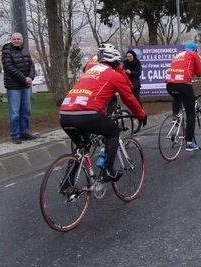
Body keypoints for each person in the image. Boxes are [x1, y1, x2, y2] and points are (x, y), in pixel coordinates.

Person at [59, 43, 147, 182]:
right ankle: (108, 171)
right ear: (114, 61)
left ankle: (68, 183)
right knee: (113, 132)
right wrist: (141, 114)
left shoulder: (89, 71)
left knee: (81, 148)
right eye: (118, 62)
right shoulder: (114, 74)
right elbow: (129, 97)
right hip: (87, 114)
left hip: (65, 114)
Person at [165, 42, 201, 151]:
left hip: (170, 84)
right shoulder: (193, 54)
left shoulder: (178, 55)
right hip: (183, 84)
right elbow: (199, 73)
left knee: (177, 97)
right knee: (191, 114)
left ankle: (175, 117)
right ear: (195, 50)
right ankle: (189, 142)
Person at [1, 32, 38, 144]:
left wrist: (31, 77)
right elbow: (9, 68)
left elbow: (31, 65)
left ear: (22, 40)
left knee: (26, 111)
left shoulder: (25, 50)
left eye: (18, 39)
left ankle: (24, 132)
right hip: (13, 87)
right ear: (11, 40)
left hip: (25, 86)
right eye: (14, 39)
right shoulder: (7, 51)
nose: (16, 40)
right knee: (15, 113)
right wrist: (24, 78)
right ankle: (15, 135)